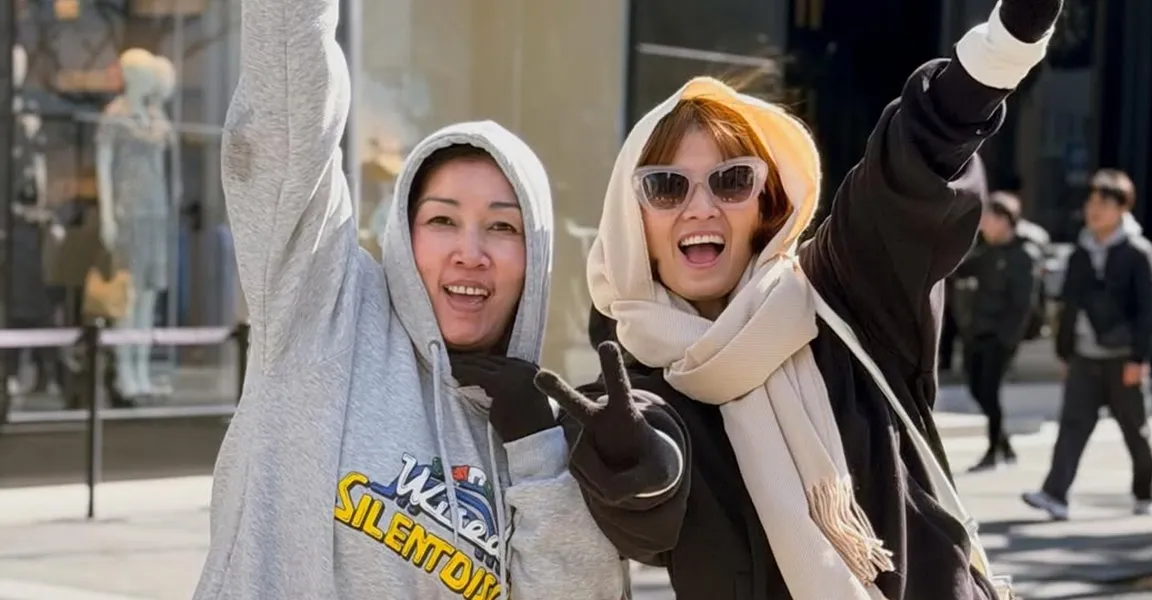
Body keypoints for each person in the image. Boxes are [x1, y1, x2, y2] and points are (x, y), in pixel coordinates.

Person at [533, 1, 1061, 598]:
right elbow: (648, 517)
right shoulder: (628, 391)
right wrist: (637, 469)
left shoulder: (843, 295)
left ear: (768, 203)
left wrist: (1007, 41)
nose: (700, 207)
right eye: (666, 186)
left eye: (732, 180)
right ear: (635, 222)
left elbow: (911, 164)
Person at [191, 1, 624, 598]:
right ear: (404, 233)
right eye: (442, 220)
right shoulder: (325, 314)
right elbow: (287, 114)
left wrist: (538, 451)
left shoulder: (542, 437)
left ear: (536, 258)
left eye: (502, 227)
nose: (470, 252)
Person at [1022, 168, 1152, 521]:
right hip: (1084, 357)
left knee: (1135, 431)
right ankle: (1055, 495)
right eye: (1091, 202)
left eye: (1103, 203)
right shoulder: (1080, 253)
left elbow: (1150, 311)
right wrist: (1065, 351)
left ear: (1121, 208)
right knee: (1072, 426)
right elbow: (1068, 306)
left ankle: (1146, 493)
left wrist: (1139, 358)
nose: (1094, 210)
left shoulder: (1139, 253)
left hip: (1123, 358)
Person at [954, 192, 1041, 472]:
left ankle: (994, 451)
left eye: (988, 218)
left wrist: (1008, 338)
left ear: (1005, 220)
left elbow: (1023, 305)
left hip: (1000, 337)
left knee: (989, 391)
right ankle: (1005, 445)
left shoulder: (1023, 256)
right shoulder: (986, 252)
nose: (983, 225)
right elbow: (958, 271)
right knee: (976, 387)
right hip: (977, 332)